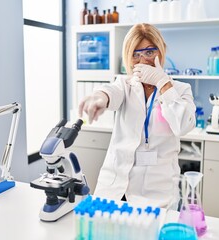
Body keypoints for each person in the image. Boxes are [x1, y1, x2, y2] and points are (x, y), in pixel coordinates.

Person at [78, 23, 196, 207]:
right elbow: (110, 92)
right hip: (114, 190)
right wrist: (100, 97)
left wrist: (162, 83)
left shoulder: (180, 89)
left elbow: (183, 125)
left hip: (157, 195)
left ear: (161, 50)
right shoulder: (125, 85)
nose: (142, 60)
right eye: (135, 53)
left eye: (149, 52)